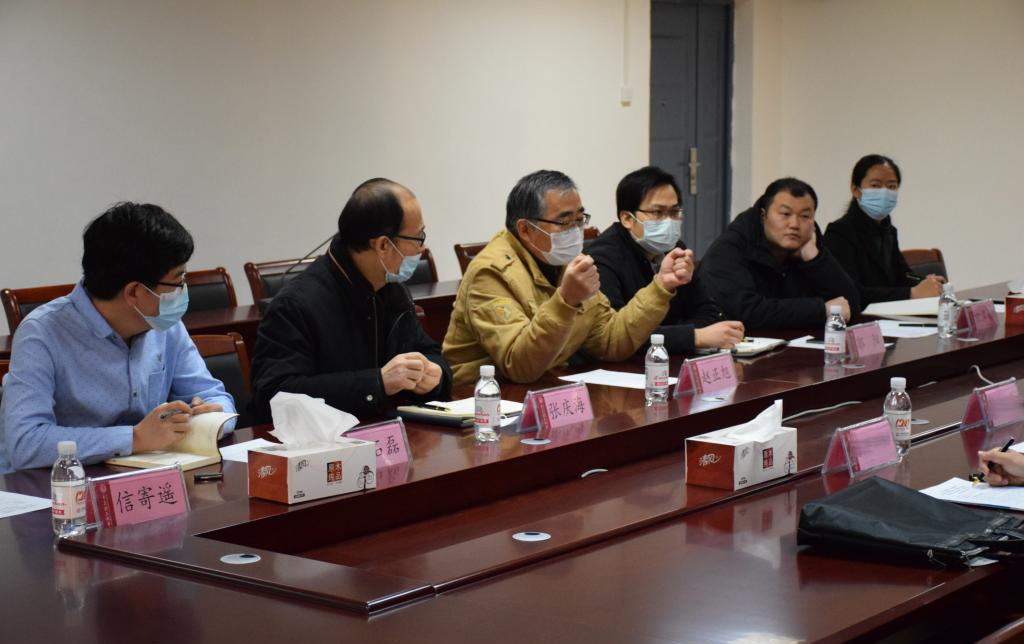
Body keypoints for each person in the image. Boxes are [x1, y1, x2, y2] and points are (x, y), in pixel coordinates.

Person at [0, 203, 234, 473]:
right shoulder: (42, 333)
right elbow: (26, 442)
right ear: (134, 291)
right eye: (178, 280)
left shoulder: (164, 324)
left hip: (144, 477)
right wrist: (134, 438)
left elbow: (216, 397)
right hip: (55, 487)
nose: (183, 290)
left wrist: (213, 418)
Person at [442, 169, 693, 386]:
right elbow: (520, 366)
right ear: (525, 229)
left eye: (579, 219)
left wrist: (661, 286)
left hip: (547, 386)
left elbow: (610, 341)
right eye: (564, 222)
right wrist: (566, 301)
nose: (576, 231)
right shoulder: (490, 273)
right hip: (482, 399)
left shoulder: (564, 261)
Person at [250, 178, 452, 422]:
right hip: (325, 440)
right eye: (418, 238)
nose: (422, 248)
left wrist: (435, 375)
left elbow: (429, 353)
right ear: (383, 245)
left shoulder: (392, 289)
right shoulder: (295, 305)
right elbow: (274, 394)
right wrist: (377, 383)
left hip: (390, 432)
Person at [585, 166, 744, 353]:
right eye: (658, 213)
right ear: (627, 218)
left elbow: (708, 311)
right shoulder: (601, 259)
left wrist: (683, 336)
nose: (668, 221)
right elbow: (615, 337)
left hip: (670, 358)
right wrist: (694, 337)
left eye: (674, 212)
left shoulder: (675, 249)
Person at [700, 177, 861, 329]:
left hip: (792, 341)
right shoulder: (730, 247)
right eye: (785, 214)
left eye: (805, 216)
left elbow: (850, 305)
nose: (794, 224)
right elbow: (745, 311)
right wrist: (821, 310)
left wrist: (815, 259)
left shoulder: (808, 243)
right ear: (763, 215)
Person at [823, 154, 945, 304]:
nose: (884, 192)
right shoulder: (839, 233)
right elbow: (852, 293)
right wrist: (912, 293)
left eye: (891, 186)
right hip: (860, 316)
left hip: (890, 312)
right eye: (875, 185)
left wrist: (924, 282)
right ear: (855, 189)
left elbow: (903, 275)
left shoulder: (889, 230)